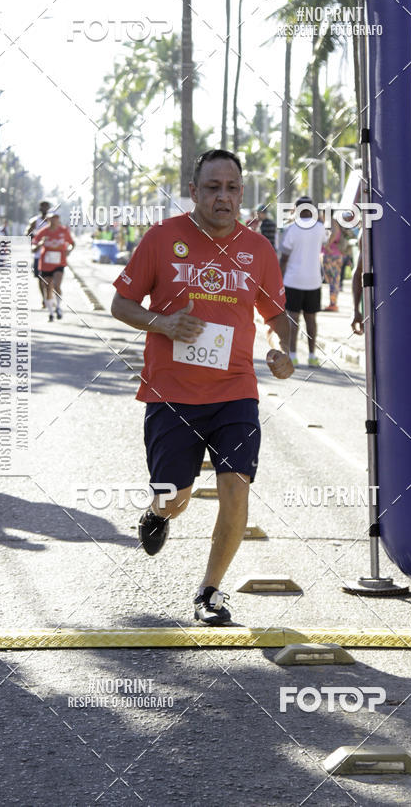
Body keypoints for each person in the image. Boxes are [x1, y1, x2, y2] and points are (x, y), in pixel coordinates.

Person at [111, 148, 294, 626]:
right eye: (213, 188)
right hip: (172, 393)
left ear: (242, 193)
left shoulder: (258, 249)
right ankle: (158, 514)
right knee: (176, 497)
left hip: (235, 390)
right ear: (194, 192)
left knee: (236, 487)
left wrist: (280, 348)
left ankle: (209, 592)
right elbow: (121, 304)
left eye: (232, 188)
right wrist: (164, 323)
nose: (223, 197)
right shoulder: (161, 238)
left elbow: (276, 315)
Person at [279, 196, 327, 368]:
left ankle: (293, 356)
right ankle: (312, 356)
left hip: (293, 280)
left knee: (293, 318)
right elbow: (326, 242)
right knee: (311, 319)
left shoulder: (291, 229)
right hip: (314, 281)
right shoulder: (320, 228)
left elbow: (284, 257)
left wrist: (278, 278)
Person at [32, 212, 74, 321]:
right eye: (52, 218)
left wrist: (69, 250)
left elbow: (72, 243)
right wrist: (41, 243)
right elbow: (33, 248)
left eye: (56, 218)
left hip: (59, 263)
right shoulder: (42, 232)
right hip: (45, 264)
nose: (54, 220)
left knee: (56, 285)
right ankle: (51, 313)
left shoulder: (63, 231)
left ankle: (58, 307)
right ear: (48, 220)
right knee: (47, 288)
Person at [26, 200, 51, 309]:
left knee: (50, 279)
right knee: (40, 278)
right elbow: (27, 234)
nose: (44, 209)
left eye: (46, 207)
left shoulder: (52, 221)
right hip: (38, 254)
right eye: (43, 207)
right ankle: (44, 298)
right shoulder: (35, 221)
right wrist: (35, 239)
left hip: (50, 254)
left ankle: (49, 297)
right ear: (40, 209)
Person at [320, 216, 344, 311]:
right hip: (334, 255)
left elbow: (334, 233)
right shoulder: (333, 222)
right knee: (333, 280)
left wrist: (327, 246)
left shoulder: (332, 222)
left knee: (333, 280)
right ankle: (333, 303)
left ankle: (333, 304)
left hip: (331, 255)